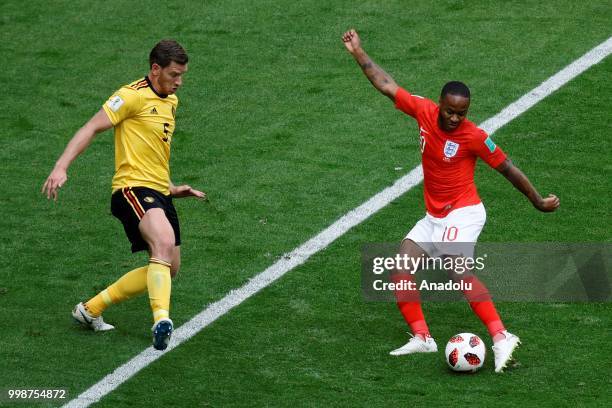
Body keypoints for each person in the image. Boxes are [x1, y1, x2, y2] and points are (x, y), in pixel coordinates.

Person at [342, 29, 559, 372]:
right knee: (401, 267)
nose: (456, 118)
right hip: (435, 216)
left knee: (458, 272)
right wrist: (358, 52)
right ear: (440, 105)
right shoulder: (425, 113)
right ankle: (423, 339)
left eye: (462, 112)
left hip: (464, 213)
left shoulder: (474, 136)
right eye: (451, 111)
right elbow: (386, 85)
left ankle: (502, 338)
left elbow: (508, 168)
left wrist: (536, 200)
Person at [42, 40, 205, 351]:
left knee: (168, 267)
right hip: (131, 189)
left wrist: (171, 188)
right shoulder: (129, 96)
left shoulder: (171, 102)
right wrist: (61, 167)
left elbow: (154, 151)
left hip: (159, 191)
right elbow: (90, 127)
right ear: (155, 69)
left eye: (182, 75)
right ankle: (161, 320)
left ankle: (89, 310)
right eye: (174, 74)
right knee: (164, 244)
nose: (179, 82)